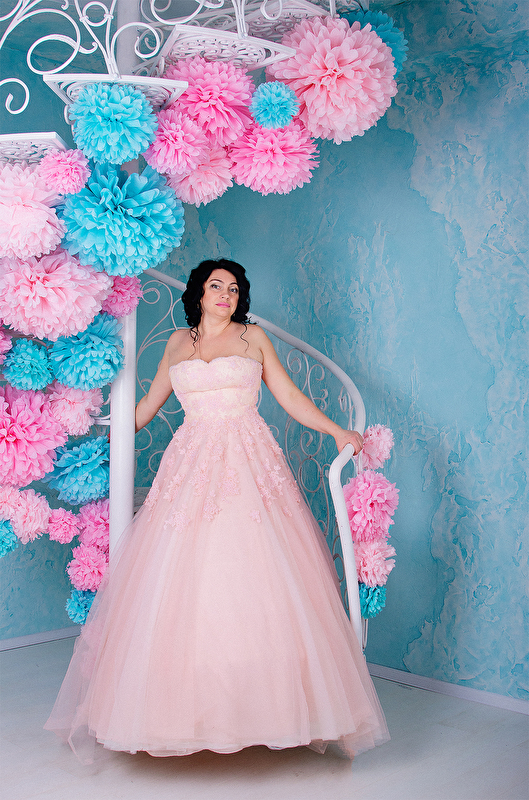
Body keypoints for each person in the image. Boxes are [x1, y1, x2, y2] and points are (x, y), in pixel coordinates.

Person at [45, 258, 389, 762]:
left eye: (233, 288)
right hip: (191, 460)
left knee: (255, 570)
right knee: (181, 576)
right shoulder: (176, 343)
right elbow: (146, 408)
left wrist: (337, 431)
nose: (226, 294)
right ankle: (184, 711)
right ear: (199, 294)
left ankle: (269, 709)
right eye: (216, 286)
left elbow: (290, 396)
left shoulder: (253, 338)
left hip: (249, 457)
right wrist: (97, 431)